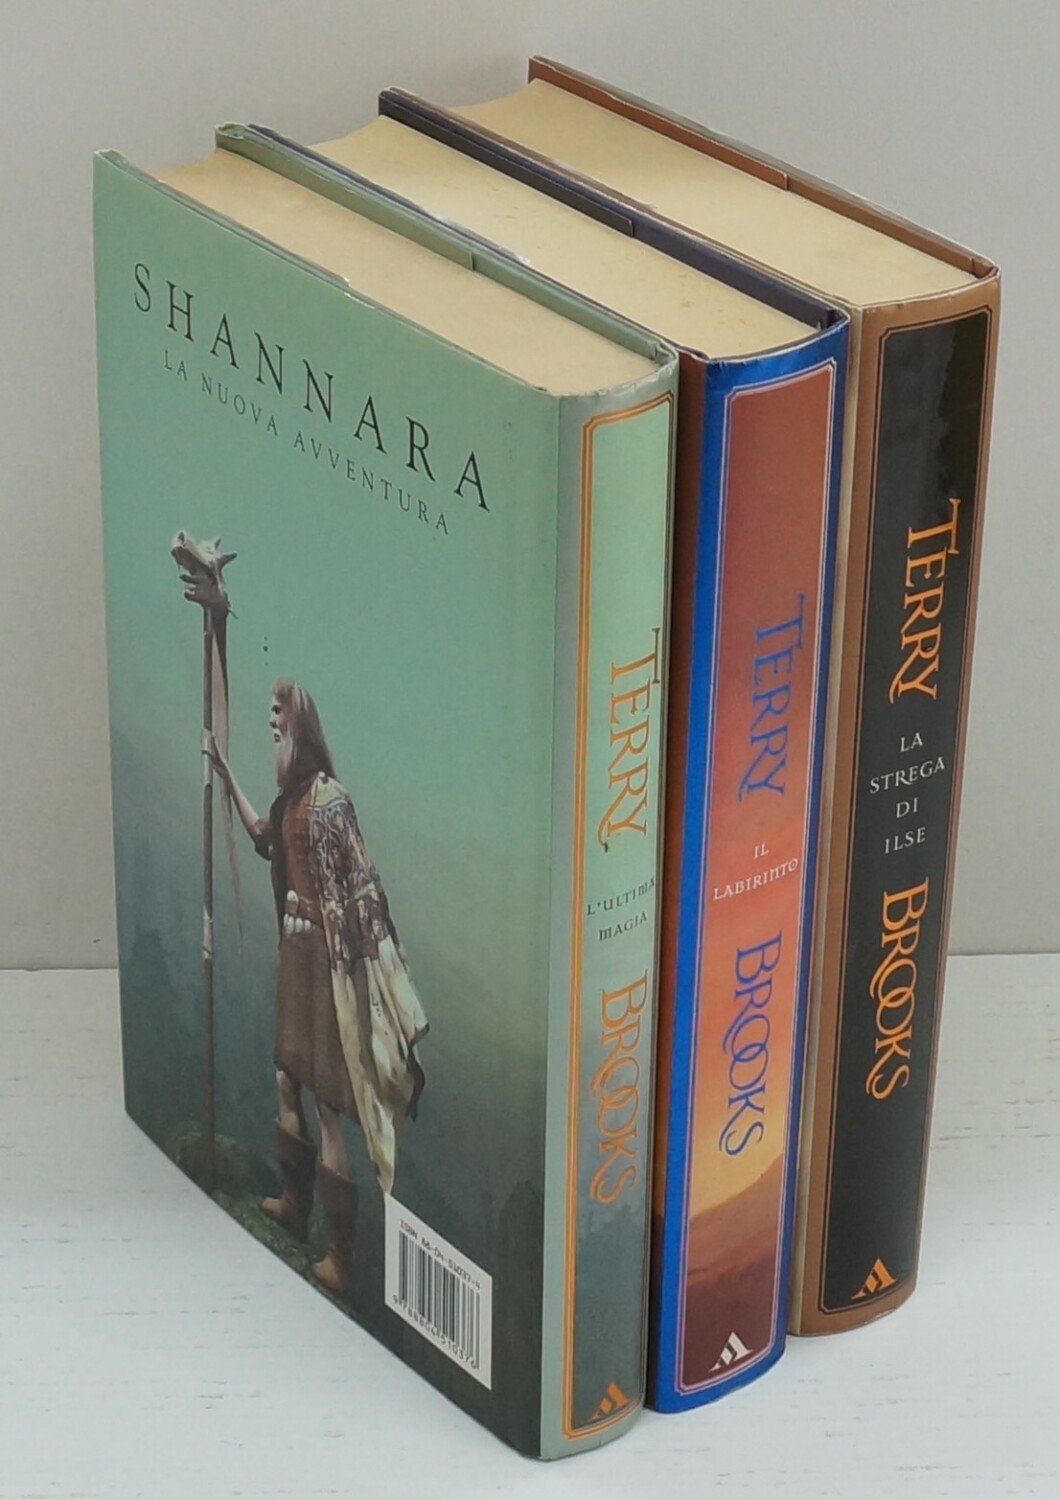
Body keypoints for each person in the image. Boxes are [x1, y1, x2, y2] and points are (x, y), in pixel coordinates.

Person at [209, 678, 427, 1297]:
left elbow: (363, 889)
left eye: (277, 711)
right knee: (287, 1078)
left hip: (329, 968)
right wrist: (225, 773)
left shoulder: (332, 802)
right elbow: (263, 837)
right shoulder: (288, 804)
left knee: (328, 1105)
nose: (270, 722)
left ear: (299, 721)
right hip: (295, 958)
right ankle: (292, 1201)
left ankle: (340, 1257)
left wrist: (378, 973)